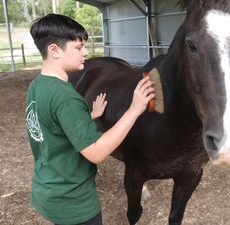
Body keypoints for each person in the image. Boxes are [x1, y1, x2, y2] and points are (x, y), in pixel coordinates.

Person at [25, 13, 154, 225]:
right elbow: (96, 152)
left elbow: (51, 124)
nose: (85, 53)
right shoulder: (66, 98)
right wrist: (134, 110)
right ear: (54, 50)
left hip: (48, 190)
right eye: (78, 47)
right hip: (74, 201)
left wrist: (88, 117)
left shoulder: (38, 85)